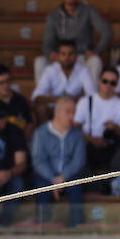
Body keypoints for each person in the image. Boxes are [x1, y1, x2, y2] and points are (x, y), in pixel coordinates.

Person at [35, 0, 110, 84]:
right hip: (61, 57)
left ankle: (91, 99)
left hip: (81, 56)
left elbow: (107, 31)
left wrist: (95, 51)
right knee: (39, 62)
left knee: (96, 61)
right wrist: (51, 54)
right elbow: (47, 44)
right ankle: (43, 99)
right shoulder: (54, 15)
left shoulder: (88, 10)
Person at [29, 96, 87, 228]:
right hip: (46, 176)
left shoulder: (77, 134)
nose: (72, 116)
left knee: (76, 187)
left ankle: (76, 230)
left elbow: (78, 161)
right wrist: (53, 178)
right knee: (42, 188)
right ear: (57, 112)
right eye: (68, 112)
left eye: (74, 112)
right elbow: (38, 160)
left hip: (69, 176)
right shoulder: (40, 133)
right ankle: (44, 231)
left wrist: (62, 177)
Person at [74, 67, 120, 180]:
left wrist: (114, 128)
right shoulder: (85, 102)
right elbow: (75, 129)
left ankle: (113, 186)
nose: (108, 85)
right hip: (88, 145)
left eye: (112, 83)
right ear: (99, 81)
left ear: (116, 85)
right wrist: (91, 139)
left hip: (111, 146)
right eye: (105, 81)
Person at [30, 39, 94, 122]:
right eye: (63, 54)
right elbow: (36, 97)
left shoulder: (83, 71)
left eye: (70, 54)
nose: (67, 57)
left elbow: (93, 97)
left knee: (88, 108)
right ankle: (46, 134)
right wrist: (54, 99)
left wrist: (75, 99)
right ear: (58, 56)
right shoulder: (50, 70)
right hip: (54, 109)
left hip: (75, 109)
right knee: (40, 108)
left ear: (76, 56)